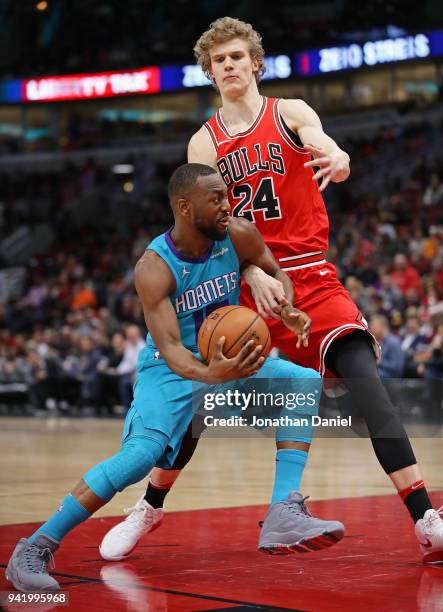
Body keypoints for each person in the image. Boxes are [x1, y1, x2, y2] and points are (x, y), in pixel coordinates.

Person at [110, 17, 442, 564]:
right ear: (210, 72)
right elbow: (204, 226)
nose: (229, 66)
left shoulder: (288, 112)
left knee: (366, 382)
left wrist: (340, 158)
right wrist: (249, 270)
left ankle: (425, 518)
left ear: (256, 63)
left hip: (309, 275)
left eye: (237, 56)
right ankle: (149, 507)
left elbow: (323, 143)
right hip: (244, 279)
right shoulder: (204, 140)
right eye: (219, 61)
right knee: (198, 400)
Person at [6, 164, 344, 592]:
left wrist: (288, 306)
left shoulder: (238, 233)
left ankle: (283, 511)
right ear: (185, 207)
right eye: (216, 199)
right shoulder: (153, 267)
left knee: (303, 382)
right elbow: (170, 350)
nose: (228, 205)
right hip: (171, 370)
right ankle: (34, 547)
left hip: (230, 359)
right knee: (139, 457)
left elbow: (275, 273)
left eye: (227, 196)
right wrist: (211, 374)